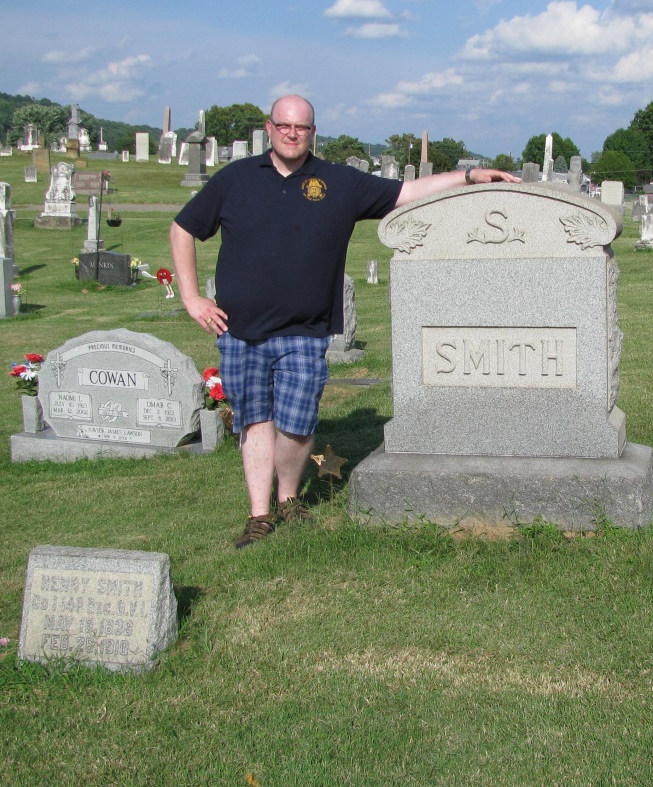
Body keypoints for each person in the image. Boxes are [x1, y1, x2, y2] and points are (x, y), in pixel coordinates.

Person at [170, 95, 519, 547]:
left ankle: (289, 499)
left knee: (297, 425)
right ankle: (260, 513)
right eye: (285, 125)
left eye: (303, 127)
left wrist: (470, 176)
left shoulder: (337, 182)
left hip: (306, 330)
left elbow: (404, 193)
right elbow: (183, 228)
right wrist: (192, 297)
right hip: (241, 330)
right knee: (255, 421)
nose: (293, 133)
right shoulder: (236, 178)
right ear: (270, 127)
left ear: (313, 132)